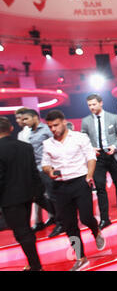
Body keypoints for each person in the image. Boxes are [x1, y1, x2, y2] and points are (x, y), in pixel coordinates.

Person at [42, 110, 105, 271]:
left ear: (64, 122)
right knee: (69, 224)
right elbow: (45, 163)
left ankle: (96, 231)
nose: (53, 129)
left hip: (80, 182)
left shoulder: (79, 137)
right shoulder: (48, 143)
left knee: (86, 217)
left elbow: (91, 157)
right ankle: (80, 257)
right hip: (60, 187)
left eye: (55, 125)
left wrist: (89, 176)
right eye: (50, 127)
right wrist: (49, 171)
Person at [0, 116, 43, 271]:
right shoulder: (25, 146)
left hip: (9, 199)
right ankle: (34, 264)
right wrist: (37, 193)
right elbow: (34, 173)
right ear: (11, 128)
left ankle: (35, 266)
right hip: (27, 196)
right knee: (25, 230)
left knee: (22, 233)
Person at [81, 94, 117, 229]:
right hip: (97, 157)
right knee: (100, 187)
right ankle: (105, 218)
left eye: (94, 104)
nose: (91, 107)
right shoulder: (86, 121)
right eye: (89, 105)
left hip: (113, 154)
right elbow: (83, 138)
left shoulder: (113, 117)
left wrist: (114, 146)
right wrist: (90, 147)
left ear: (101, 103)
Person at [22, 109, 64, 238]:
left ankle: (61, 223)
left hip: (47, 168)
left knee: (53, 196)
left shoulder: (46, 130)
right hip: (36, 170)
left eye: (26, 119)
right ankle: (56, 217)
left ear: (35, 117)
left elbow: (57, 145)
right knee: (40, 196)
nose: (24, 122)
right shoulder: (31, 132)